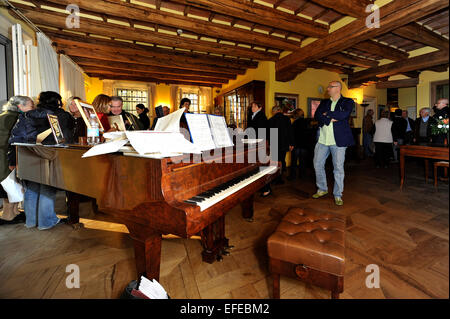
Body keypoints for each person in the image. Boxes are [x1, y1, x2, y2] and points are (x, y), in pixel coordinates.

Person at [9, 91, 72, 230]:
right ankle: (46, 222)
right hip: (50, 154)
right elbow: (66, 137)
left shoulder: (27, 115)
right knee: (47, 189)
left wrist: (14, 159)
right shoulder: (61, 115)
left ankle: (30, 222)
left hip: (28, 154)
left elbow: (15, 137)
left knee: (31, 189)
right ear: (58, 101)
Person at [312, 81, 354, 206]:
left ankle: (338, 194)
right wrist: (330, 118)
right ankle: (322, 189)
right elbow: (317, 115)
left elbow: (344, 114)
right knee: (317, 165)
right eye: (328, 86)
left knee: (338, 169)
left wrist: (327, 114)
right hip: (322, 140)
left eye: (330, 86)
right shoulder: (324, 102)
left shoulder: (347, 101)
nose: (327, 88)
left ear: (338, 89)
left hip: (338, 141)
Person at [0, 96, 33, 225]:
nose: (32, 109)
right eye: (31, 106)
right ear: (20, 107)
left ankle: (14, 212)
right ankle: (8, 216)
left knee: (12, 185)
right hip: (5, 157)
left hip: (5, 156)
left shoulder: (5, 115)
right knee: (10, 186)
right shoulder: (13, 118)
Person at [246, 102, 270, 196]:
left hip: (260, 144)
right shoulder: (253, 115)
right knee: (257, 165)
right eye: (252, 106)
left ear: (260, 107)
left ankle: (267, 188)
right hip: (255, 143)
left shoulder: (261, 116)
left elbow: (261, 131)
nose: (252, 108)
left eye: (254, 106)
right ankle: (260, 186)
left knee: (262, 165)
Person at [267, 105, 294, 185]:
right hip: (284, 143)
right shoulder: (286, 119)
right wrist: (291, 143)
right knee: (282, 160)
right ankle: (280, 177)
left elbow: (268, 134)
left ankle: (275, 178)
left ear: (275, 111)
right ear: (280, 110)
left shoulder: (270, 120)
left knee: (275, 161)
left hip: (274, 143)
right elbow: (290, 132)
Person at [288, 108, 308, 180]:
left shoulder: (294, 123)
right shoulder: (306, 122)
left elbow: (291, 135)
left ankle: (293, 177)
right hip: (304, 145)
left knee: (294, 162)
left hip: (296, 145)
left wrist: (291, 144)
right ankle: (302, 176)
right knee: (303, 162)